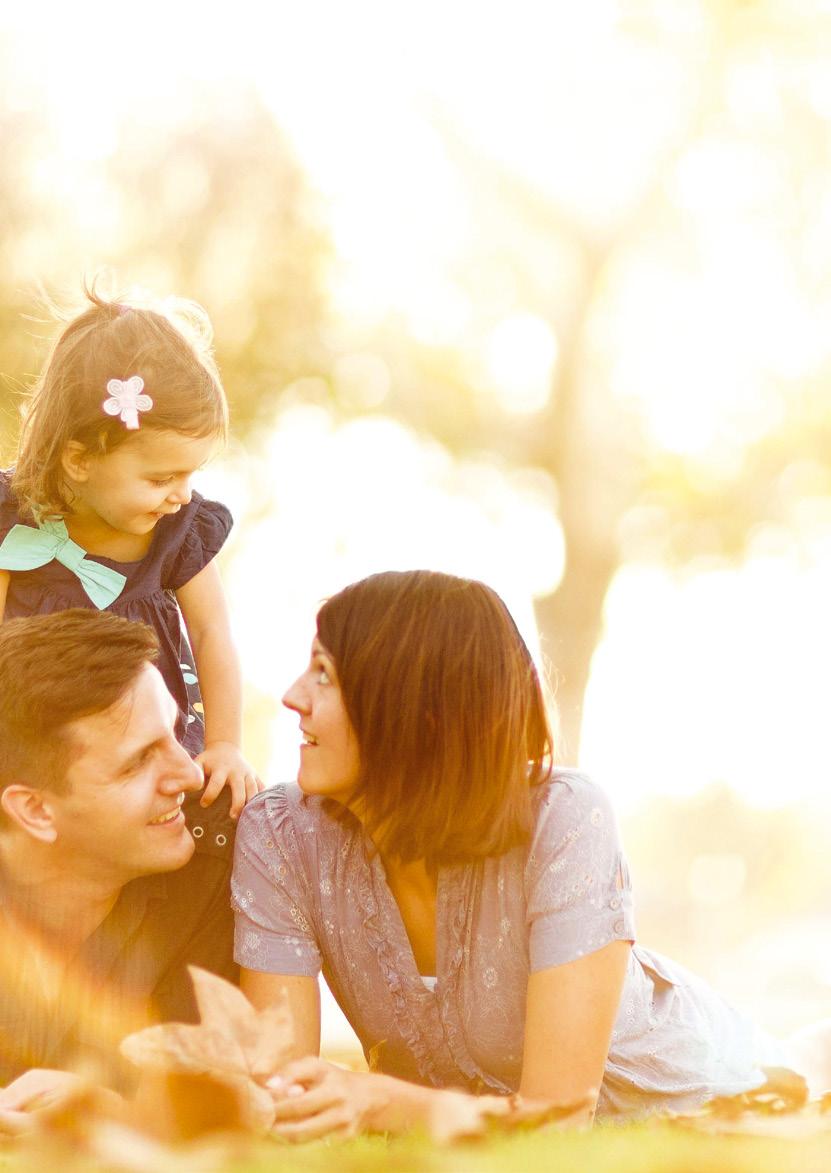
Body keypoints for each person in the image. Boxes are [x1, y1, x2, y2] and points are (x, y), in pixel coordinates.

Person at [231, 569, 814, 1141]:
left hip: (717, 1105)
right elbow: (283, 1102)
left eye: (324, 674)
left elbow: (556, 1124)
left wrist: (379, 1100)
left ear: (418, 710)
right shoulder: (281, 835)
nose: (291, 696)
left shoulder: (562, 819)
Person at [0, 285, 261, 818]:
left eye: (192, 473)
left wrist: (225, 745)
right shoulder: (11, 521)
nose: (183, 493)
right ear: (79, 459)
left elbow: (213, 634)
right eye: (162, 477)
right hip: (41, 760)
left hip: (153, 756)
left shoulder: (177, 529)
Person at [0, 608, 237, 1122]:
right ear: (35, 810)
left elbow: (250, 1087)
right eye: (138, 761)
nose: (190, 775)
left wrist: (123, 1110)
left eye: (176, 734)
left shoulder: (221, 865)